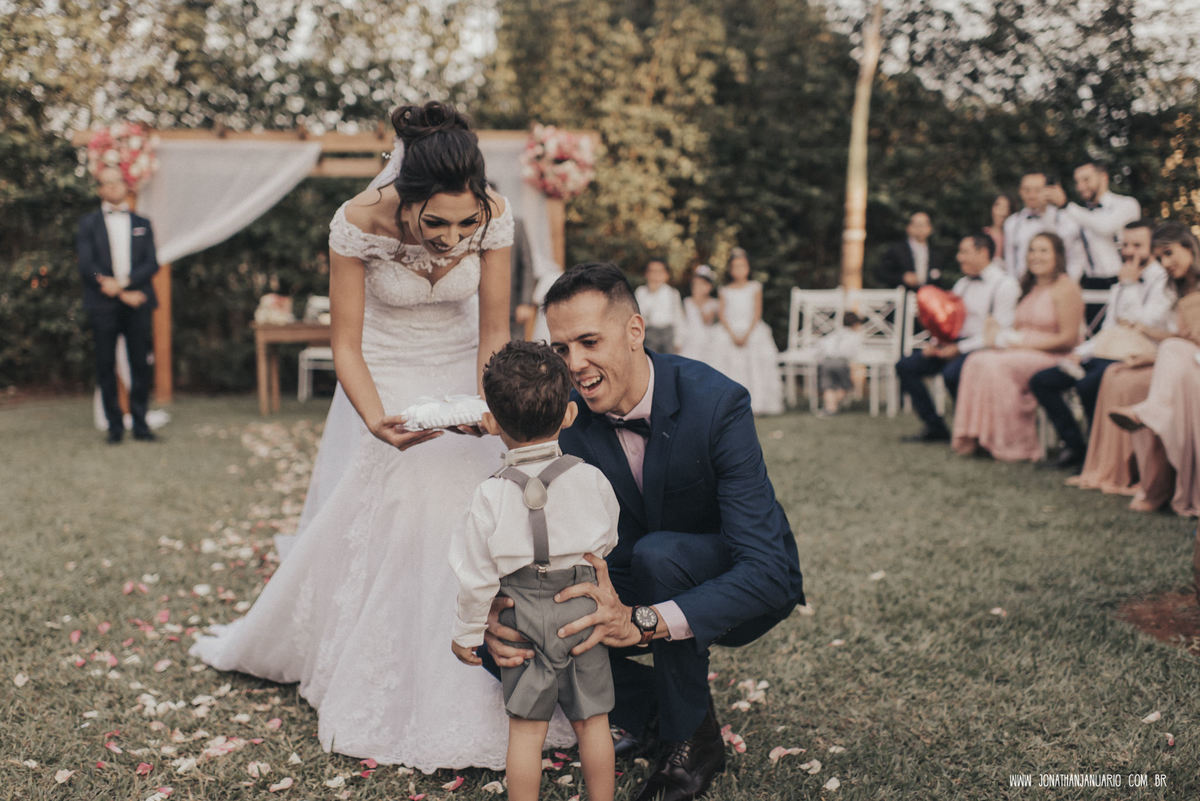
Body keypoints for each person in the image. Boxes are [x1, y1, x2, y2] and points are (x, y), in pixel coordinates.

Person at [190, 102, 578, 770]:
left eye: (466, 224)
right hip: (386, 373)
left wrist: (488, 407)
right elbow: (345, 344)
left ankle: (502, 664)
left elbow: (492, 330)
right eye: (436, 223)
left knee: (483, 494)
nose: (454, 238)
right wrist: (376, 419)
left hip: (464, 365)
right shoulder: (356, 222)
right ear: (405, 199)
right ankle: (406, 675)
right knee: (416, 495)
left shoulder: (494, 213)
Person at [483, 262, 806, 801]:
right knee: (509, 635)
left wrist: (643, 621)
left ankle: (687, 741)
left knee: (661, 556)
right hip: (629, 571)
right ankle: (665, 713)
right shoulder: (562, 415)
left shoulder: (717, 402)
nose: (574, 365)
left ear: (635, 330)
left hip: (728, 576)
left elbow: (768, 570)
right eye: (561, 349)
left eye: (589, 342)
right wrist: (501, 605)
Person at [450, 341, 618, 801]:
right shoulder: (590, 478)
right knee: (593, 723)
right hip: (580, 606)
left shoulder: (489, 495)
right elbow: (607, 539)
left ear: (493, 423)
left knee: (526, 730)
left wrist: (467, 632)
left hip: (520, 610)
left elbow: (476, 575)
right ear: (569, 414)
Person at [1028, 219, 1171, 470]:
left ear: (1153, 247)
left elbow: (1145, 323)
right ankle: (1075, 446)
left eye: (1137, 245)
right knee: (1043, 380)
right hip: (1107, 351)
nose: (1129, 251)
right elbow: (1108, 330)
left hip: (1139, 355)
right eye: (1125, 245)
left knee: (1087, 385)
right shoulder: (1122, 280)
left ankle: (1098, 457)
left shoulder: (1164, 282)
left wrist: (1129, 285)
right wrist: (1079, 353)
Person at [952, 233, 1084, 461]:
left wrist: (1027, 344)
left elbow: (1069, 339)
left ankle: (1014, 442)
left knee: (997, 366)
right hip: (1020, 351)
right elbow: (1016, 327)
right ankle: (980, 436)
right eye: (1032, 250)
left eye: (1043, 250)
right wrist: (1003, 336)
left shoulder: (1066, 288)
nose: (1036, 256)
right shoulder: (1028, 287)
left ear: (1058, 256)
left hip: (1053, 355)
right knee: (976, 360)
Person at [1107, 222, 1200, 514]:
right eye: (1160, 258)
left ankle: (1149, 412)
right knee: (1135, 373)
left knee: (1169, 356)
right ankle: (1155, 486)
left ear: (1189, 247)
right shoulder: (1177, 289)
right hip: (1187, 359)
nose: (1166, 263)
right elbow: (1181, 337)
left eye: (1169, 253)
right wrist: (1149, 356)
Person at [896, 233, 1019, 442]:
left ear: (983, 253)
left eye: (964, 252)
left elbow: (1000, 332)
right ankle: (935, 427)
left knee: (951, 374)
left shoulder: (1005, 285)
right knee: (906, 366)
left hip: (983, 347)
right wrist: (936, 343)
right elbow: (949, 320)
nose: (959, 257)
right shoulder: (963, 283)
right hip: (953, 344)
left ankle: (973, 431)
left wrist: (959, 349)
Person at [75, 166, 160, 444]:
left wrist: (122, 284)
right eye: (106, 183)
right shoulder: (88, 224)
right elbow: (87, 266)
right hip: (103, 305)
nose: (112, 187)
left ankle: (141, 425)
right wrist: (118, 291)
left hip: (138, 302)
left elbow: (151, 263)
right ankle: (114, 427)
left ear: (126, 186)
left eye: (117, 182)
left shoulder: (143, 223)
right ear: (100, 189)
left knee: (140, 364)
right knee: (105, 364)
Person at [710, 248, 784, 414]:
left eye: (742, 266)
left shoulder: (754, 287)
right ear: (730, 270)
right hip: (729, 330)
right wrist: (732, 334)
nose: (739, 270)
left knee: (755, 361)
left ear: (748, 268)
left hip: (751, 329)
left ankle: (757, 402)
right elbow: (722, 314)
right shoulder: (724, 290)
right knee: (725, 357)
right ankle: (727, 405)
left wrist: (747, 334)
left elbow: (757, 313)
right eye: (735, 266)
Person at [1063, 162, 1141, 290]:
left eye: (1086, 180)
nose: (1080, 187)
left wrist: (1066, 205)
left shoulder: (1126, 204)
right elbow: (1074, 254)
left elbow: (1105, 227)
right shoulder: (1077, 214)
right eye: (1077, 182)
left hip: (1123, 279)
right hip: (1090, 283)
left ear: (1103, 177)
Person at [1002, 172, 1085, 281]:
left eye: (1037, 190)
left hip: (1057, 284)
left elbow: (1076, 257)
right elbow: (1010, 260)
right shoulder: (1012, 222)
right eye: (1027, 190)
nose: (1032, 195)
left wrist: (1069, 282)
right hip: (1023, 284)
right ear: (1020, 192)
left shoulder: (1064, 219)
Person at [877, 211, 942, 290]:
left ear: (930, 228)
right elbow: (882, 273)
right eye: (916, 225)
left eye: (923, 225)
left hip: (927, 295)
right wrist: (902, 278)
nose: (920, 229)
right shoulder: (896, 250)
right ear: (908, 228)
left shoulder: (935, 252)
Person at [816, 311, 862, 415]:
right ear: (855, 324)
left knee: (828, 386)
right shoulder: (854, 336)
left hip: (826, 362)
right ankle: (831, 407)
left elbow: (821, 346)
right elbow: (854, 353)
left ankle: (829, 408)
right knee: (845, 385)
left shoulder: (834, 334)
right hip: (841, 362)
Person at [635, 258, 685, 354]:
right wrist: (652, 293)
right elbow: (638, 315)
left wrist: (678, 341)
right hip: (648, 334)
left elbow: (678, 318)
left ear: (666, 275)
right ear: (646, 274)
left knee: (668, 361)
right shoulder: (641, 292)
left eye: (659, 271)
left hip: (667, 335)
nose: (655, 275)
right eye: (652, 271)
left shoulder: (672, 293)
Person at [679, 264, 719, 364]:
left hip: (707, 339)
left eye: (702, 285)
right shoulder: (687, 302)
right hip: (690, 338)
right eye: (695, 284)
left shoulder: (713, 303)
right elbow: (683, 321)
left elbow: (708, 321)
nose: (697, 288)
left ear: (709, 287)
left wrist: (700, 304)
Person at [984, 193, 1016, 261]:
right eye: (998, 206)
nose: (1001, 211)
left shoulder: (1014, 235)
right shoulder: (984, 234)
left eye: (1006, 207)